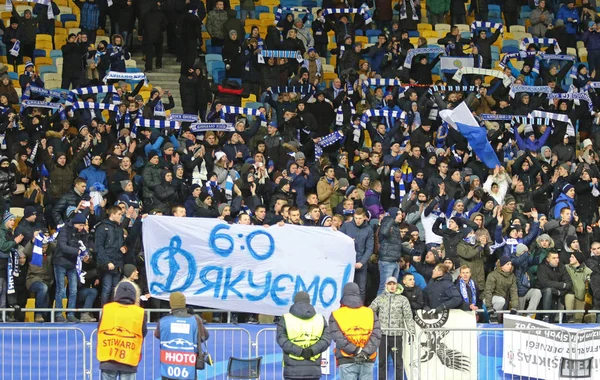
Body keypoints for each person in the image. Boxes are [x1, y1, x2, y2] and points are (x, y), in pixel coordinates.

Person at [97, 280, 147, 379]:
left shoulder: (107, 308)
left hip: (108, 357)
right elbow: (143, 332)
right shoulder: (140, 312)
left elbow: (100, 328)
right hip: (129, 357)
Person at [330, 283, 382, 380]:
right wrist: (365, 352)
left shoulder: (336, 314)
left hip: (347, 359)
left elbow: (338, 338)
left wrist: (356, 350)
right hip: (367, 358)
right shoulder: (370, 312)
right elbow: (377, 335)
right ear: (358, 293)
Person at [276, 291, 331, 380]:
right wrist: (312, 351)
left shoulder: (285, 318)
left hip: (292, 371)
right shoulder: (320, 318)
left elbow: (282, 340)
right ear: (309, 301)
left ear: (295, 301)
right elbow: (326, 339)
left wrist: (300, 352)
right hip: (313, 370)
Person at [155, 292, 209, 380]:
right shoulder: (195, 320)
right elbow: (205, 336)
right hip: (188, 368)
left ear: (171, 304)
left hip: (168, 368)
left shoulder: (163, 321)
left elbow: (157, 335)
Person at [369, 276, 414, 380]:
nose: (392, 286)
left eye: (394, 284)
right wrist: (374, 328)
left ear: (397, 285)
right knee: (382, 362)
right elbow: (369, 312)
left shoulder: (403, 299)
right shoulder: (380, 298)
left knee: (398, 363)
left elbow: (408, 317)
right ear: (386, 285)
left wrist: (412, 332)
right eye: (390, 284)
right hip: (383, 336)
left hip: (396, 336)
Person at [53, 212, 89, 323]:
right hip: (60, 262)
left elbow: (85, 245)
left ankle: (71, 314)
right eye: (81, 225)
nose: (83, 228)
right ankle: (58, 314)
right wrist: (76, 251)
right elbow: (62, 246)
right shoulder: (64, 230)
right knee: (60, 289)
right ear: (76, 224)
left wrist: (85, 254)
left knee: (73, 290)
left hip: (72, 263)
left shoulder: (82, 232)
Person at [340, 208, 374, 301]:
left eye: (360, 218)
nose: (357, 220)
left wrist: (362, 262)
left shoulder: (369, 229)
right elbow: (338, 240)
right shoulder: (346, 226)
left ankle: (359, 309)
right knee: (346, 288)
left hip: (361, 263)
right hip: (348, 263)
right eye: (356, 218)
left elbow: (369, 248)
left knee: (361, 289)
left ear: (364, 218)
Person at [96, 206, 126, 306]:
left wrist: (124, 248)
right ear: (112, 214)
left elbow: (122, 243)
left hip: (118, 262)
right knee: (107, 288)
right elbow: (99, 246)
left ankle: (114, 312)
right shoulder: (102, 227)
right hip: (108, 263)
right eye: (119, 214)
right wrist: (107, 262)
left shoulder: (119, 229)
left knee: (115, 290)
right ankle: (104, 312)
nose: (121, 217)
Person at [537, 251, 573, 323]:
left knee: (570, 292)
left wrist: (559, 292)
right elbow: (545, 283)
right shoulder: (542, 267)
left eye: (557, 258)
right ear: (548, 259)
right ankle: (546, 316)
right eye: (554, 258)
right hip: (542, 291)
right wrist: (562, 285)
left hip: (558, 292)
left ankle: (568, 319)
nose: (557, 260)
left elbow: (569, 283)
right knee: (548, 290)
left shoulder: (561, 267)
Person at [482, 255, 518, 323]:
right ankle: (492, 317)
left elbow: (514, 292)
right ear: (502, 266)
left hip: (502, 300)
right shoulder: (492, 275)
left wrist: (514, 307)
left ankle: (494, 320)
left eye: (510, 264)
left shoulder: (512, 276)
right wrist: (489, 307)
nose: (510, 266)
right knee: (501, 301)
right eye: (507, 264)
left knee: (502, 302)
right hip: (489, 299)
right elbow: (488, 291)